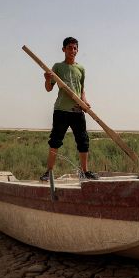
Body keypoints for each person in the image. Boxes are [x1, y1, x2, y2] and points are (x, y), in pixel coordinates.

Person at [40, 37, 99, 181]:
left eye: (74, 48)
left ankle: (85, 171)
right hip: (61, 110)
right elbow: (49, 88)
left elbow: (82, 89)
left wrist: (84, 101)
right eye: (69, 48)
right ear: (63, 50)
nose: (72, 50)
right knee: (55, 140)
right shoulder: (58, 67)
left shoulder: (81, 69)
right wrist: (47, 79)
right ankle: (49, 172)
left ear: (77, 50)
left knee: (83, 141)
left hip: (77, 110)